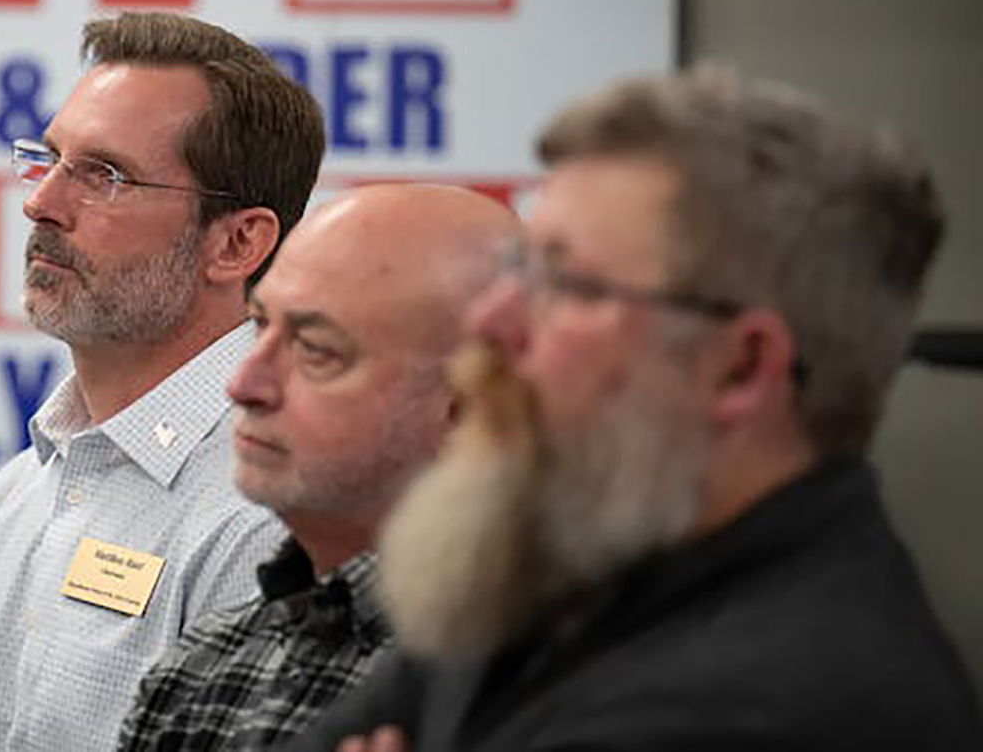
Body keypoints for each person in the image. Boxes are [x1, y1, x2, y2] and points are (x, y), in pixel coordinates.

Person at [297, 68, 982, 751]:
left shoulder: (768, 705)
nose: (490, 321)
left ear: (738, 365)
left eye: (566, 283)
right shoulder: (558, 562)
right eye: (521, 267)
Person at [0, 11, 326, 752]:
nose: (41, 203)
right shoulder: (17, 493)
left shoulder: (270, 517)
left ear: (238, 242)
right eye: (49, 159)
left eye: (104, 177)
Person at [117, 184, 517, 751]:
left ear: (470, 408)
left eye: (316, 350)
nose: (243, 384)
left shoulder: (544, 684)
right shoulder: (201, 668)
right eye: (260, 327)